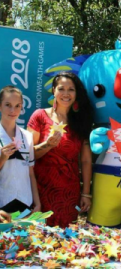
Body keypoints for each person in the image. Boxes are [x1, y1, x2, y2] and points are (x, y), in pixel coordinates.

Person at [27, 72, 94, 228]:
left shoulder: (81, 122)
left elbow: (85, 160)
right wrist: (48, 145)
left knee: (65, 240)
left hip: (69, 192)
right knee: (39, 237)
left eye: (71, 89)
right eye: (61, 88)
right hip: (40, 190)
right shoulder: (40, 116)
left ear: (76, 93)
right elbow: (28, 155)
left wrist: (86, 193)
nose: (66, 93)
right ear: (54, 91)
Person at [0, 85, 40, 213]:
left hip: (25, 203)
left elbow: (30, 173)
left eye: (17, 105)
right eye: (8, 105)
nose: (13, 110)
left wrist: (37, 203)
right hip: (2, 204)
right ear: (0, 106)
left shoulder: (27, 136)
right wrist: (2, 158)